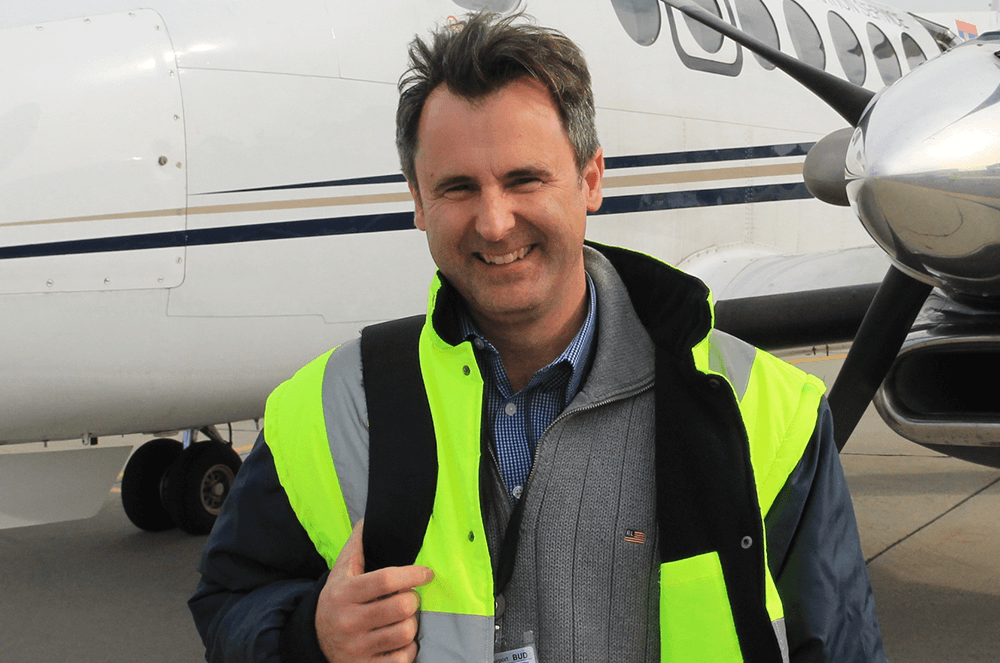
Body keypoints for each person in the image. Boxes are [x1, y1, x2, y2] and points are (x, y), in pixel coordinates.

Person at [190, 11, 887, 663]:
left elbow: (841, 643)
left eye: (525, 179)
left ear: (590, 179)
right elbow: (228, 599)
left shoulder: (766, 410)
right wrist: (310, 631)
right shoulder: (330, 407)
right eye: (458, 187)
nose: (494, 223)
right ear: (418, 202)